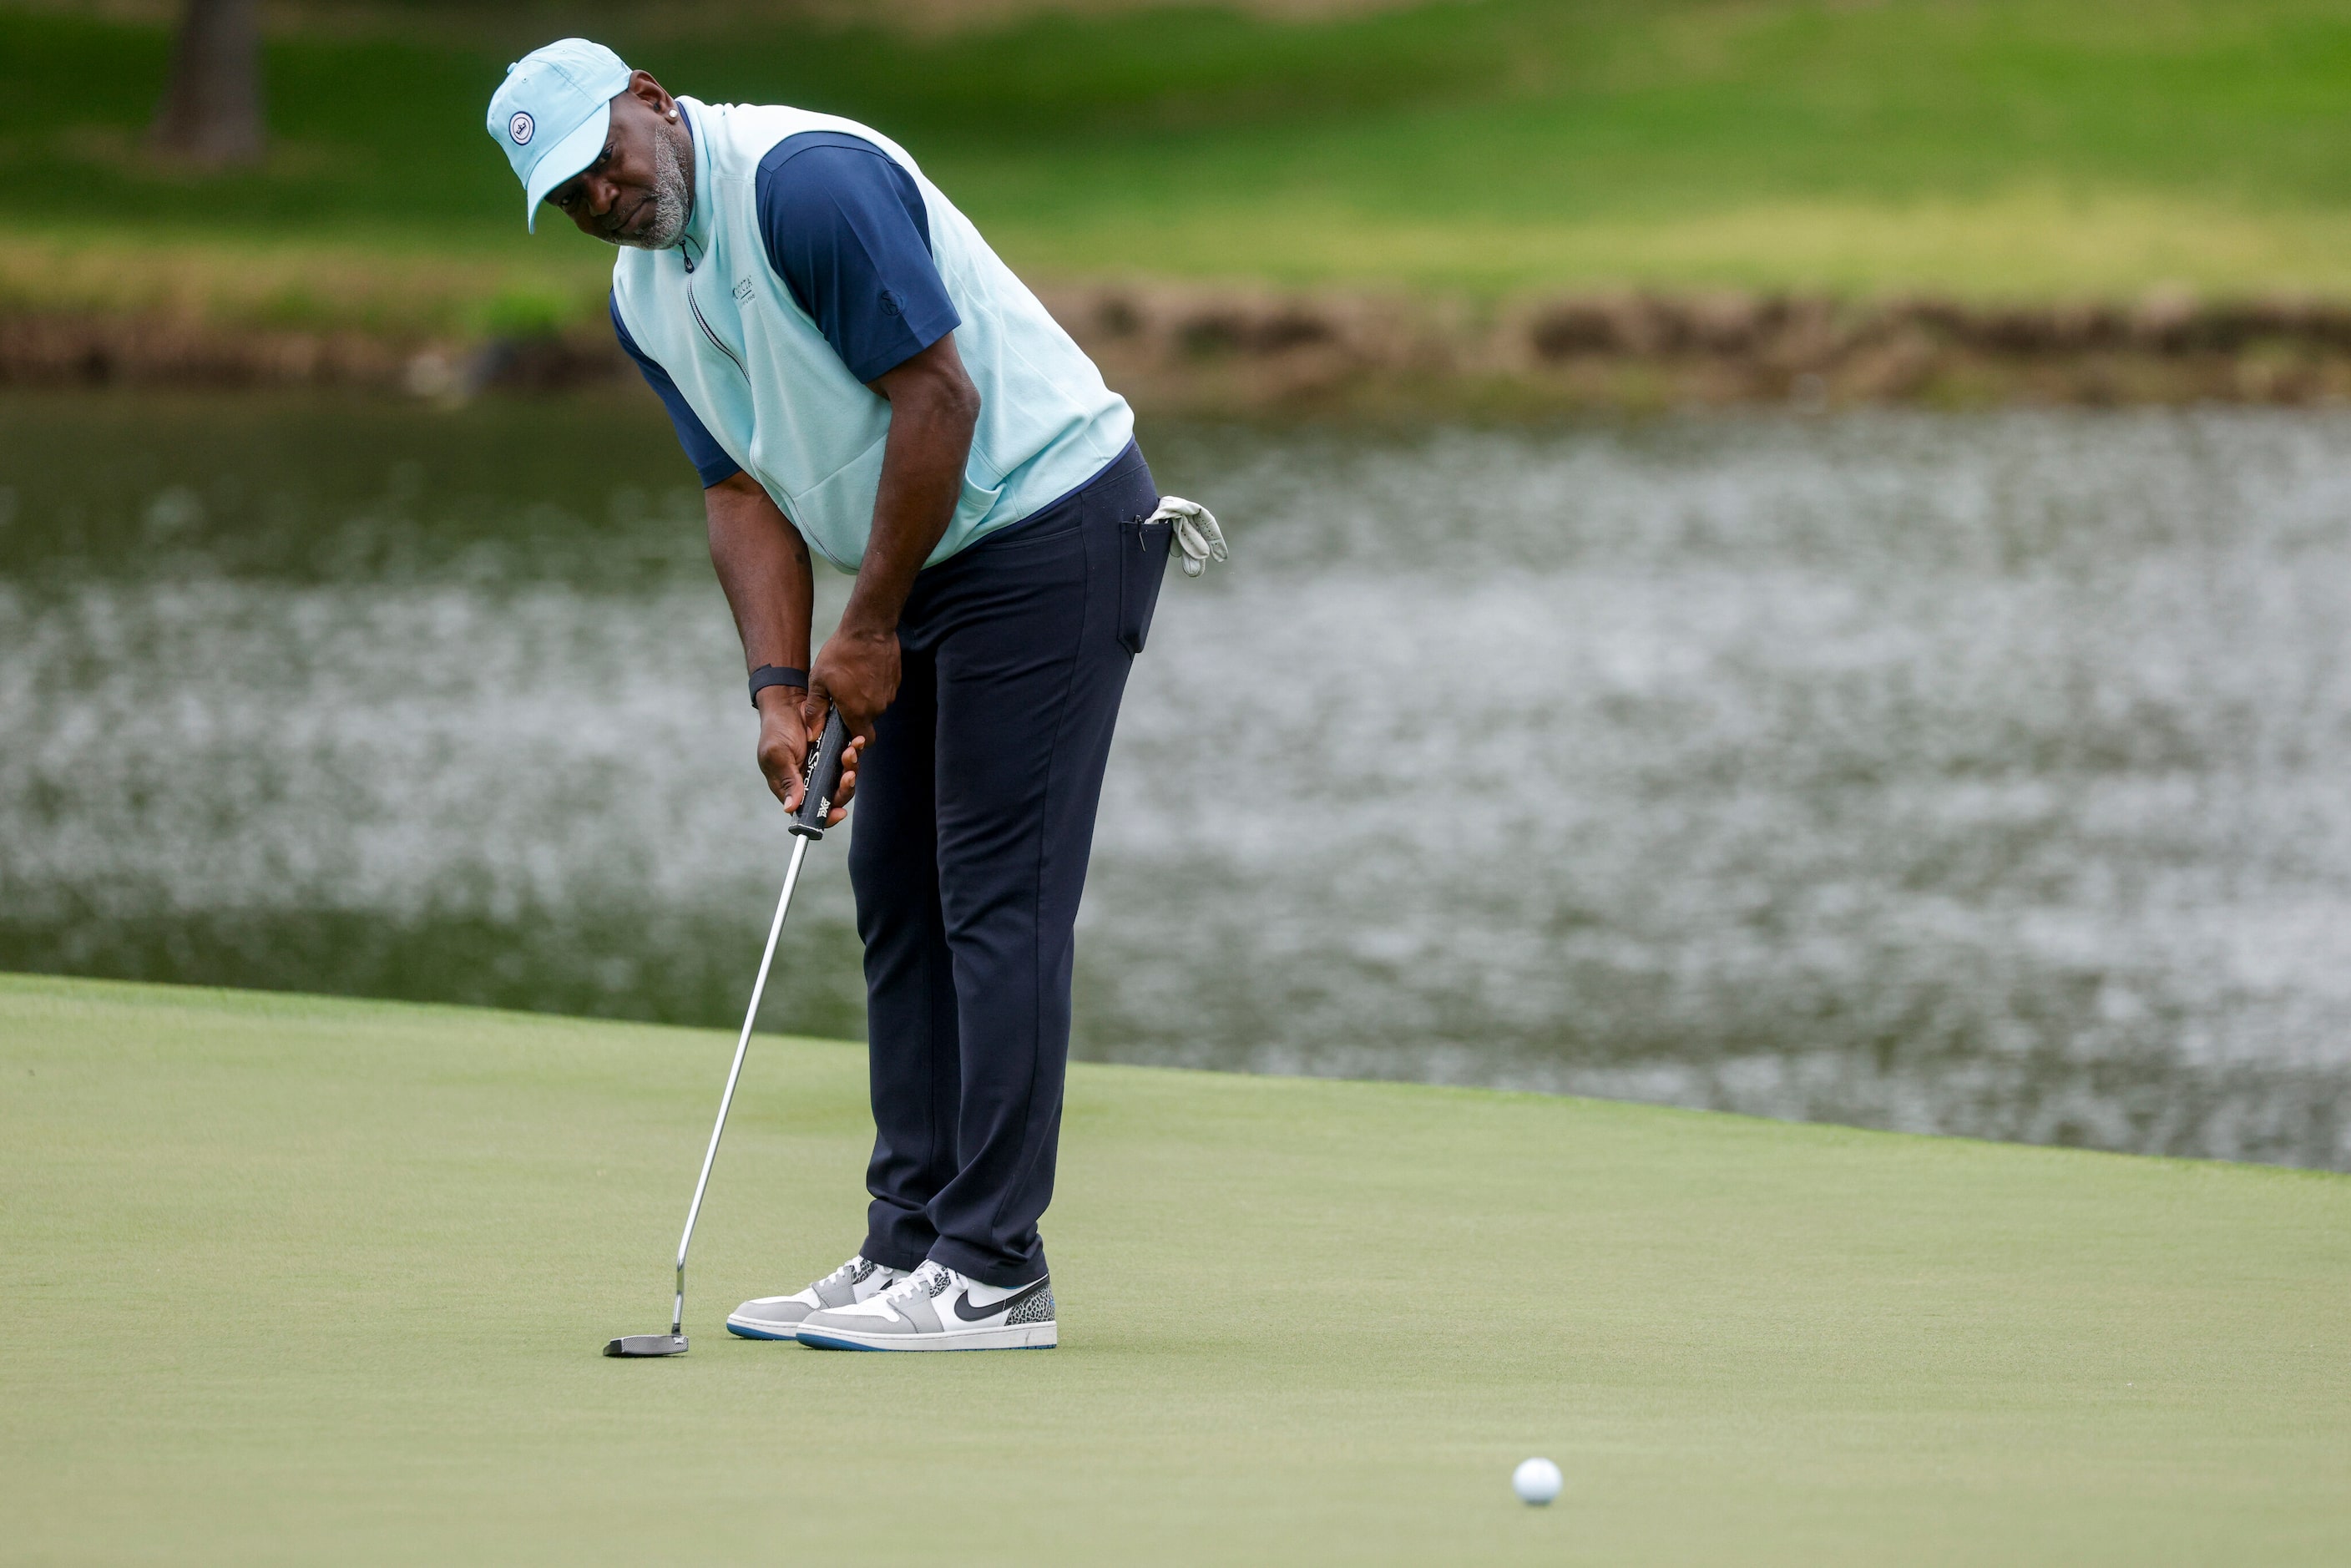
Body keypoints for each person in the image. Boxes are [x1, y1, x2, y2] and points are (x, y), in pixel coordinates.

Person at [487, 38, 1203, 1350]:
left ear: (652, 101)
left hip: (1045, 527)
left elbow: (939, 398)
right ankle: (908, 1243)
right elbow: (738, 489)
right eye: (570, 194)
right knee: (898, 894)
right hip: (927, 553)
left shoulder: (803, 186)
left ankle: (996, 1270)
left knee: (995, 895)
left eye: (605, 158)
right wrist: (777, 688)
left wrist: (865, 627)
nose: (602, 196)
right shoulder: (644, 297)